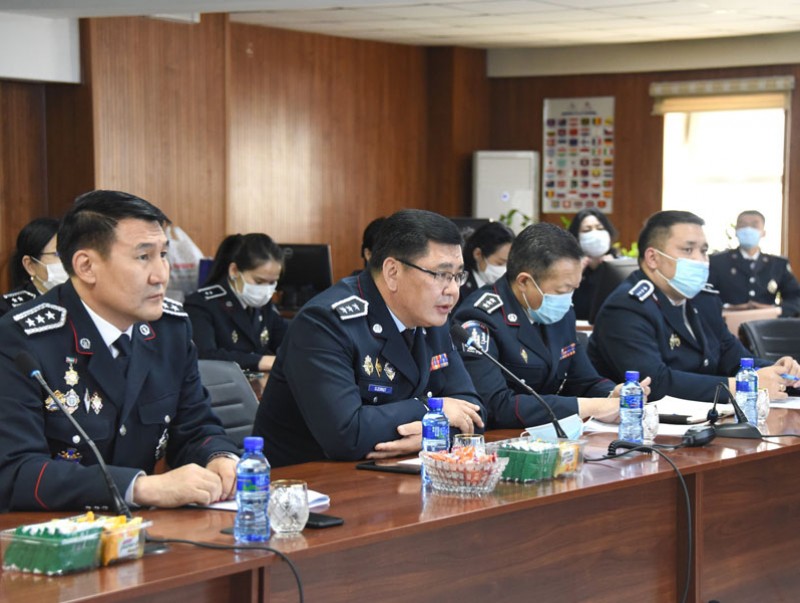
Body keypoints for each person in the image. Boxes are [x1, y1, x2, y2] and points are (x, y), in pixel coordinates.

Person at [0, 190, 239, 512]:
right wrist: (137, 488)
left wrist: (219, 457)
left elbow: (196, 427)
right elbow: (15, 472)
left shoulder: (170, 330)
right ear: (86, 266)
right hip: (49, 531)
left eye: (163, 254)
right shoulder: (21, 341)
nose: (161, 275)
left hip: (143, 530)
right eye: (143, 257)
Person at [253, 209, 486, 467]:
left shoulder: (432, 318)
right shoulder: (325, 323)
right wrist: (431, 409)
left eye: (458, 276)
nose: (453, 290)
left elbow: (473, 411)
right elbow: (346, 434)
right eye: (441, 275)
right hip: (308, 480)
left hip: (389, 473)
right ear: (392, 272)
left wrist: (430, 436)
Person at [588, 210, 800, 402]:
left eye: (704, 250)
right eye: (688, 250)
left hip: (708, 419)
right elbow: (655, 383)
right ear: (653, 258)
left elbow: (734, 358)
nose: (700, 260)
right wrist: (743, 386)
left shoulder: (704, 299)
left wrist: (778, 371)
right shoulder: (626, 308)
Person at [453, 222, 639, 429]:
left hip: (554, 436)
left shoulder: (560, 311)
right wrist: (589, 407)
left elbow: (584, 380)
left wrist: (611, 395)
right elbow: (496, 405)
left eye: (573, 289)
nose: (568, 299)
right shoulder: (480, 319)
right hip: (503, 439)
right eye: (562, 291)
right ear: (524, 281)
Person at [185, 233, 288, 372]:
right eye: (259, 281)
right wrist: (260, 361)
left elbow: (286, 339)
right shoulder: (202, 304)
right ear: (234, 271)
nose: (265, 290)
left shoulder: (264, 305)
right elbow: (205, 355)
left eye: (272, 283)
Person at [708, 210, 800, 317]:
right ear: (736, 231)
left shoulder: (778, 264)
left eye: (754, 225)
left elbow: (796, 297)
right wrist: (725, 307)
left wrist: (775, 309)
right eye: (743, 225)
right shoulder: (717, 262)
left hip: (766, 323)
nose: (748, 229)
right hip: (725, 322)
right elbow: (706, 296)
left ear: (763, 232)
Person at [0, 218, 67, 316]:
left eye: (71, 252)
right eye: (57, 254)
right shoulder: (7, 309)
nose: (68, 260)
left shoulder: (86, 299)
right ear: (30, 265)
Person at [566, 208, 619, 321]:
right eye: (587, 230)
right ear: (576, 237)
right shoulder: (568, 266)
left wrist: (613, 270)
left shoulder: (619, 265)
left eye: (600, 228)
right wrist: (575, 274)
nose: (595, 233)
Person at [455, 221, 515, 310]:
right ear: (478, 254)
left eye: (508, 264)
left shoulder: (509, 287)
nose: (504, 269)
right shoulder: (459, 285)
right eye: (500, 263)